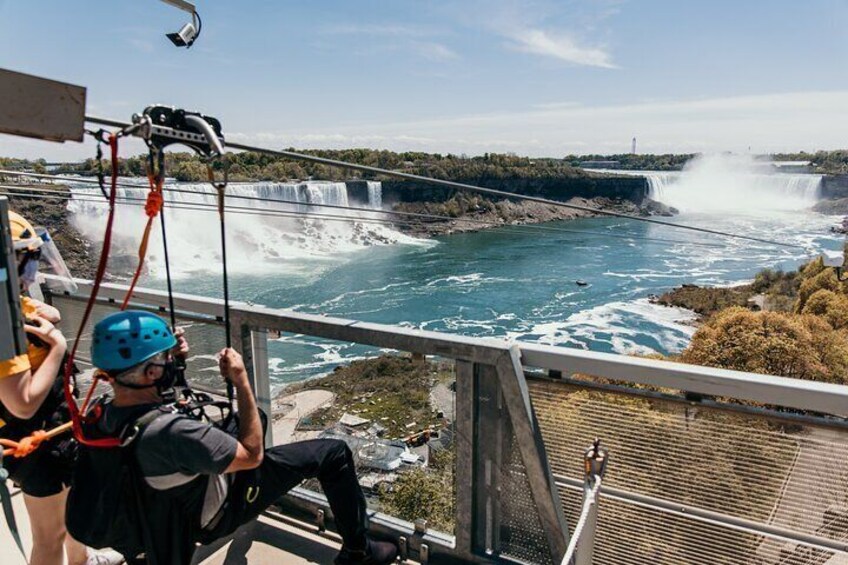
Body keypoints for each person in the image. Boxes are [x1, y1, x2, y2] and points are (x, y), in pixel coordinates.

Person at [88, 309, 399, 565]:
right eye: (165, 359)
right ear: (151, 373)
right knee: (335, 453)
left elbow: (160, 403)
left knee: (256, 419)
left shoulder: (99, 414)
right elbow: (252, 455)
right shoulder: (172, 433)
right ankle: (359, 552)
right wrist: (241, 381)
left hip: (156, 514)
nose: (170, 362)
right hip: (215, 513)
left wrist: (178, 366)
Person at [0, 210, 122, 565]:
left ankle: (83, 560)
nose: (30, 273)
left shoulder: (10, 306)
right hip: (32, 439)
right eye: (27, 261)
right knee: (48, 537)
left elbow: (38, 313)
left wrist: (40, 313)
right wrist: (56, 349)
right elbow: (21, 402)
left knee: (73, 511)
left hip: (50, 430)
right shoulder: (3, 326)